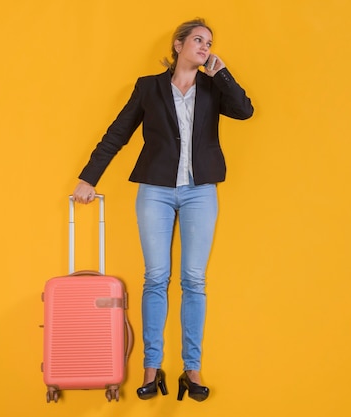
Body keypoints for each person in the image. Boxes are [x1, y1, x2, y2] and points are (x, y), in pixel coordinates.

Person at [72, 18, 253, 402]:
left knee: (194, 280)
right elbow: (117, 132)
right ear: (178, 44)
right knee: (155, 277)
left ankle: (192, 368)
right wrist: (89, 178)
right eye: (198, 40)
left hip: (200, 192)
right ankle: (151, 368)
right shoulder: (148, 88)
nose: (205, 47)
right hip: (155, 190)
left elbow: (245, 111)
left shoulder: (212, 87)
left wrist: (223, 75)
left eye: (209, 43)